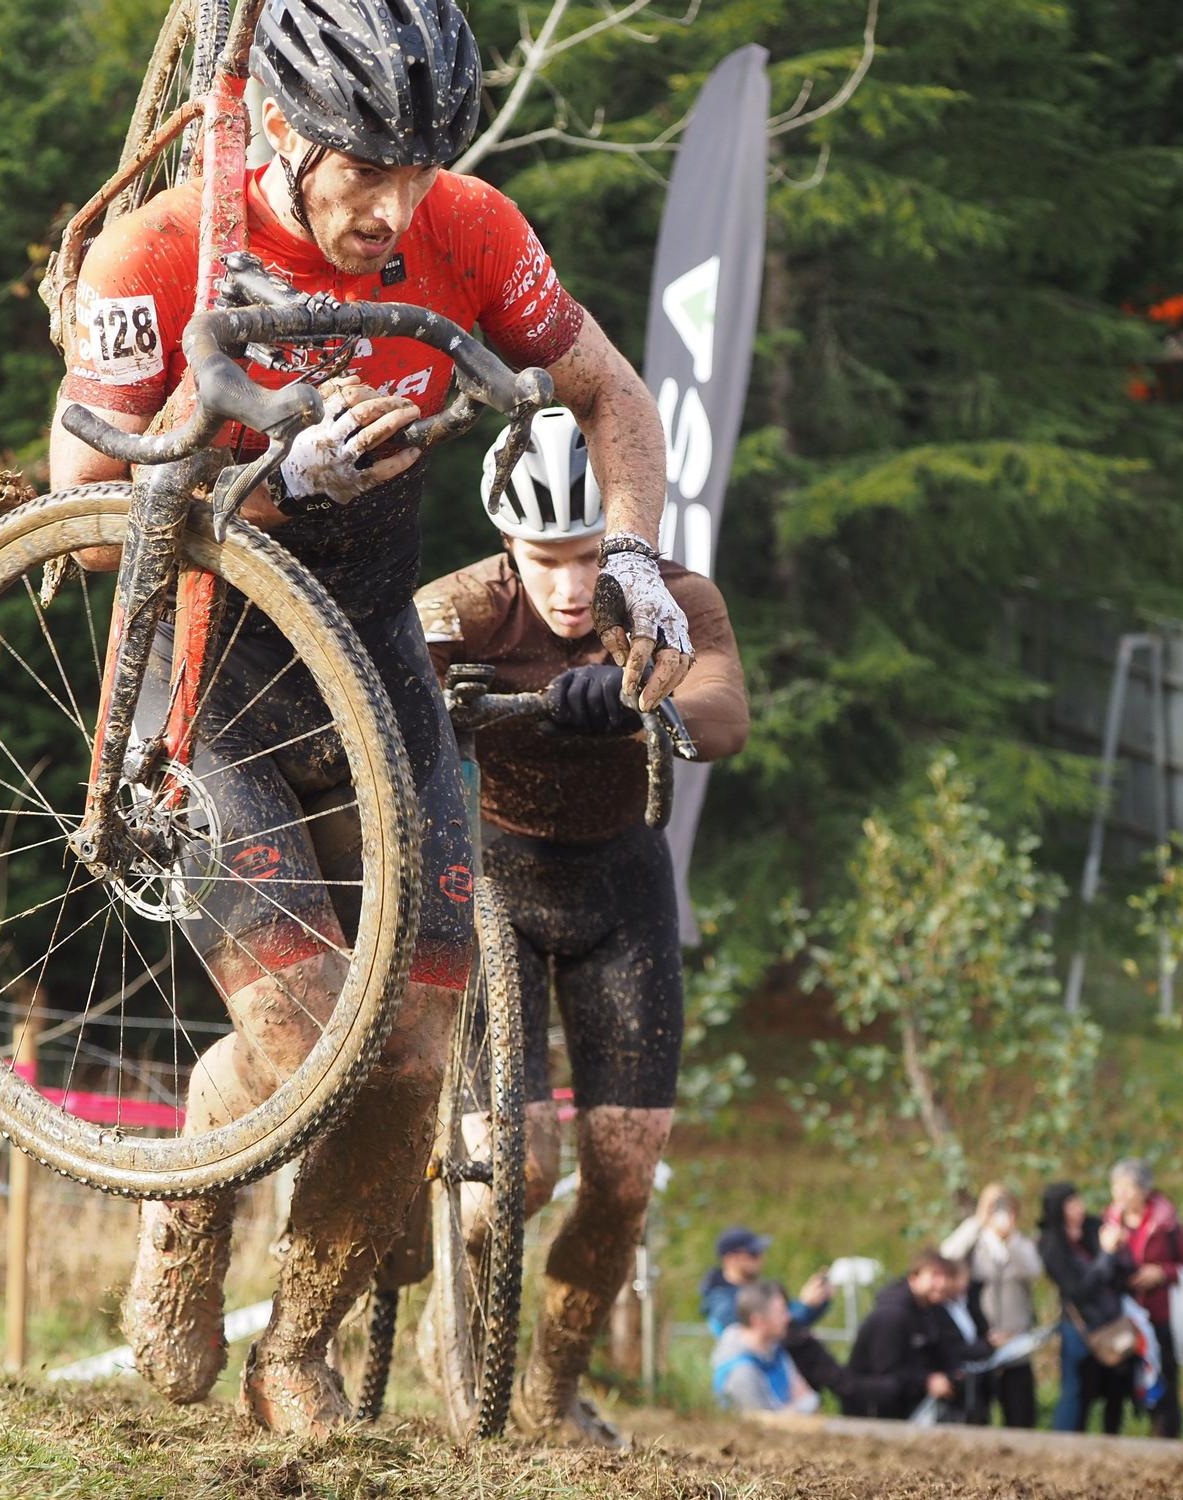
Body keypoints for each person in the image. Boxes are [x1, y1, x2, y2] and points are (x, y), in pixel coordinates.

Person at [49, 0, 695, 1439]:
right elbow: (79, 525)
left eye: (422, 170)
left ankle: (299, 1347)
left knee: (412, 1054)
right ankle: (201, 1183)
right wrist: (268, 466)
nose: (394, 210)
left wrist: (639, 555)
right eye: (365, 170)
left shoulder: (466, 228)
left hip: (379, 663)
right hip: (215, 678)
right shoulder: (160, 247)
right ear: (282, 131)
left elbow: (611, 395)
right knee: (300, 1032)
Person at [415, 410, 749, 1446]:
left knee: (620, 1180)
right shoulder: (461, 605)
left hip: (622, 892)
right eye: (544, 559)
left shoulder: (674, 600)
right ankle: (455, 1318)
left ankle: (551, 1390)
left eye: (590, 557)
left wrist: (651, 703)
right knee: (514, 1173)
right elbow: (378, 703)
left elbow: (725, 712)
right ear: (507, 549)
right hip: (495, 884)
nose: (568, 586)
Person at [1036, 1180, 1137, 1434]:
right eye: (1072, 1203)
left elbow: (1122, 1274)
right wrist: (1105, 1253)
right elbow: (1079, 1290)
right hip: (1080, 1327)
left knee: (1115, 1387)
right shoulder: (1051, 1245)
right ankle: (1066, 1443)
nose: (1079, 1207)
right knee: (1076, 1390)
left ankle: (1111, 1442)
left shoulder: (1094, 1228)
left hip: (1111, 1321)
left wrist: (1120, 1247)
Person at [1106, 1157, 1183, 1438]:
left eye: (1127, 1188)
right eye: (1116, 1188)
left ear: (1144, 1190)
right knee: (1116, 1381)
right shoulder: (1109, 1222)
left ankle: (1165, 1440)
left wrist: (1161, 1272)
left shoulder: (1165, 1222)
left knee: (1164, 1378)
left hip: (1157, 1313)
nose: (1121, 1195)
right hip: (1121, 1317)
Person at [941, 1183, 1042, 1427]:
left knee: (1021, 1416)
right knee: (978, 1415)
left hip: (1016, 1343)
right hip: (982, 1342)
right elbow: (945, 1257)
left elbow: (1035, 1269)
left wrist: (1011, 1237)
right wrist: (977, 1221)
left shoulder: (1020, 1244)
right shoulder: (974, 1241)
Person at [841, 1252, 959, 1419]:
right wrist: (926, 1380)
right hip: (873, 1410)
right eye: (934, 1276)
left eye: (946, 1277)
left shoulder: (930, 1309)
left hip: (906, 1404)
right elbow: (885, 1370)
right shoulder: (892, 1315)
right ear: (914, 1278)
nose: (942, 1283)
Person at [699, 1224, 831, 1338]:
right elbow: (761, 1329)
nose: (761, 1259)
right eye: (753, 1254)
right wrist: (805, 1305)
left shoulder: (757, 1287)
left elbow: (791, 1320)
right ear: (731, 1259)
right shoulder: (721, 1301)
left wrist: (817, 1302)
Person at [713, 1280, 818, 1415]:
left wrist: (799, 1407)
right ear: (757, 1320)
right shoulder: (741, 1372)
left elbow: (807, 1396)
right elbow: (764, 1426)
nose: (788, 1317)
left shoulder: (773, 1349)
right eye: (781, 1312)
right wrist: (800, 1408)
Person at [931, 1259, 995, 1422]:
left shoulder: (967, 1304)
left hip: (976, 1380)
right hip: (954, 1383)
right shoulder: (937, 1310)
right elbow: (953, 1347)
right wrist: (988, 1346)